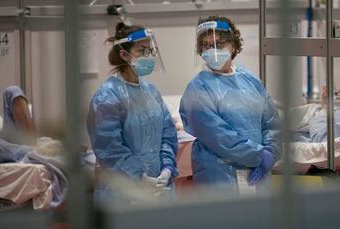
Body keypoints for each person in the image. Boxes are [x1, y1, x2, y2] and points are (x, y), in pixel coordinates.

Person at [179, 16, 281, 190]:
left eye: (219, 44)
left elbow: (270, 122)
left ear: (233, 45)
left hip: (258, 173)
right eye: (206, 45)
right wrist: (258, 156)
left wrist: (271, 151)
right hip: (218, 177)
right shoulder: (198, 89)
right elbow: (218, 135)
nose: (213, 50)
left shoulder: (250, 80)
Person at [87, 22, 178, 202]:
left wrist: (167, 168)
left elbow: (168, 136)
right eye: (141, 50)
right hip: (122, 192)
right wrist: (140, 178)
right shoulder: (107, 96)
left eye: (150, 50)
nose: (148, 55)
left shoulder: (151, 92)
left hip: (159, 189)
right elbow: (109, 148)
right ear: (124, 54)